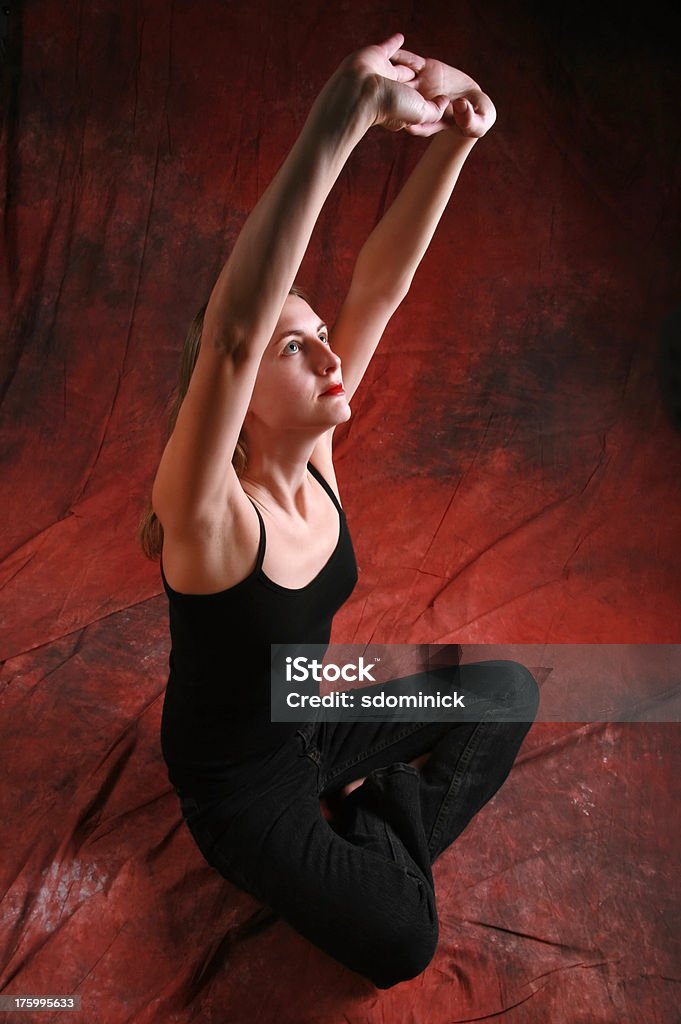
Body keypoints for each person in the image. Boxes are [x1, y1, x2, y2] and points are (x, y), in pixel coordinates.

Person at [138, 33, 539, 989]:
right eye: (297, 349)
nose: (328, 359)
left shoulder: (313, 451)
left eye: (322, 339)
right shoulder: (207, 519)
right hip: (242, 793)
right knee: (403, 943)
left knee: (509, 689)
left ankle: (378, 815)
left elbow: (381, 285)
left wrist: (456, 141)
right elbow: (234, 334)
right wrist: (342, 119)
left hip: (306, 719)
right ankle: (388, 822)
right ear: (232, 390)